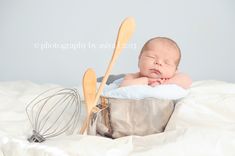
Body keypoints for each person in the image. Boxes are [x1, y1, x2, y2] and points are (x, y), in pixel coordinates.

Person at [120, 37, 192, 89]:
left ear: (175, 70)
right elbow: (123, 86)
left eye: (167, 63)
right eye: (152, 57)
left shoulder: (172, 77)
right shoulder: (134, 77)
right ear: (139, 59)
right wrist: (146, 80)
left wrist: (163, 83)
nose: (158, 62)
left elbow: (187, 81)